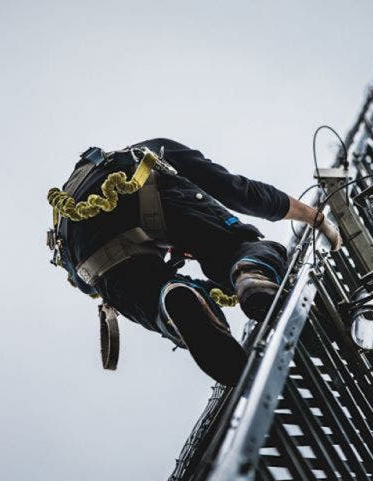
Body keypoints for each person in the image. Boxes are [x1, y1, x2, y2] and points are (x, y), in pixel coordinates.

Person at [46, 138, 341, 385]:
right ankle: (251, 273)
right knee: (235, 248)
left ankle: (172, 298)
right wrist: (313, 217)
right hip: (146, 187)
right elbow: (238, 191)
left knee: (153, 293)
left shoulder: (70, 205)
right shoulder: (149, 150)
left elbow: (90, 286)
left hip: (84, 251)